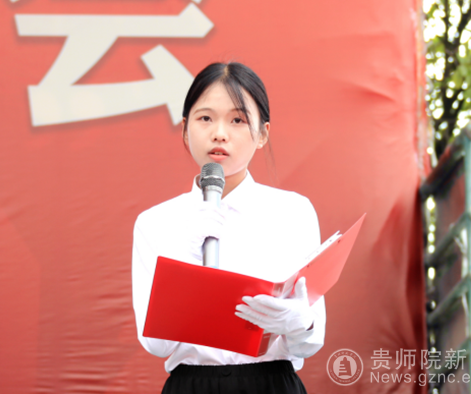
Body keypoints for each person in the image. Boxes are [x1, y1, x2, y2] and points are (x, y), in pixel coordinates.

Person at [132, 62, 326, 393]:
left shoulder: (293, 211)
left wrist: (299, 323)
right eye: (205, 118)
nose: (219, 133)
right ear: (185, 129)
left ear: (262, 133)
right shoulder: (156, 222)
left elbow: (308, 343)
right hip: (192, 385)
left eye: (237, 120)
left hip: (272, 383)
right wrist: (186, 256)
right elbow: (157, 345)